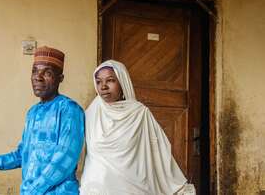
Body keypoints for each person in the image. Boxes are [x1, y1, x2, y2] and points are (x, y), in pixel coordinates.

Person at [0, 46, 85, 195]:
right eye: (34, 71)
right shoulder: (33, 113)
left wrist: (32, 190)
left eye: (47, 73)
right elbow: (21, 156)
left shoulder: (69, 110)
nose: (38, 77)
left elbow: (65, 160)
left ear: (60, 78)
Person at [80, 60, 193, 195]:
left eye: (110, 80)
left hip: (132, 187)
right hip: (96, 187)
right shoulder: (91, 113)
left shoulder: (139, 113)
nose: (103, 86)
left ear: (122, 82)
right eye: (98, 82)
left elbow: (158, 150)